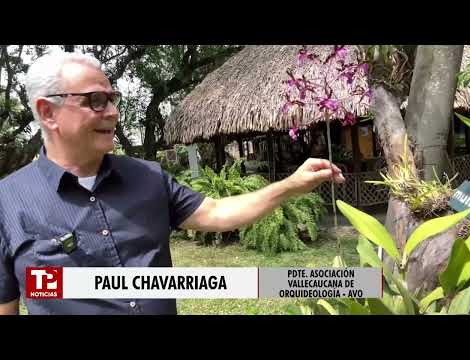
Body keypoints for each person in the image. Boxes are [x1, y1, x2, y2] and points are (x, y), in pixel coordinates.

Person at [0, 50, 345, 315]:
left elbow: (215, 212)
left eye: (112, 99)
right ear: (48, 112)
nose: (112, 112)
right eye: (95, 100)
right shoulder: (8, 202)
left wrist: (291, 185)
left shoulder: (147, 176)